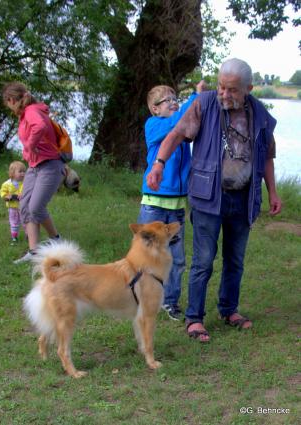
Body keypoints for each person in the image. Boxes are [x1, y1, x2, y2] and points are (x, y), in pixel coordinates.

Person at [147, 58, 282, 342]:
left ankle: (229, 309)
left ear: (248, 88)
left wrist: (273, 191)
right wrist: (159, 163)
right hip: (208, 197)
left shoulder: (259, 113)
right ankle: (194, 318)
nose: (224, 94)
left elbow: (267, 155)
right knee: (204, 260)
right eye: (221, 86)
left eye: (232, 89)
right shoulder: (204, 104)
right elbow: (176, 133)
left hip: (244, 197)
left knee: (235, 259)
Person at [139, 81, 207, 321]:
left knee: (177, 259)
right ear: (154, 109)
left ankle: (170, 301)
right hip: (153, 205)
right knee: (148, 254)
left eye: (174, 98)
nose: (173, 102)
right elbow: (177, 122)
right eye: (166, 100)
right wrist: (196, 97)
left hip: (177, 206)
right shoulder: (155, 125)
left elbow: (189, 125)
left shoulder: (180, 130)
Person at [2, 82, 64, 264]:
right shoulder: (26, 114)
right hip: (34, 167)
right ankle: (34, 251)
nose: (7, 106)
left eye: (7, 103)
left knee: (36, 207)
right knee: (25, 205)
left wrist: (30, 145)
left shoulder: (31, 112)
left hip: (50, 165)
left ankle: (56, 240)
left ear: (11, 100)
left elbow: (40, 127)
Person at [0, 160, 26, 244]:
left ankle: (28, 235)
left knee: (25, 220)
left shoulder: (25, 183)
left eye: (24, 171)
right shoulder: (7, 184)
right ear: (12, 173)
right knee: (14, 222)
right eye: (20, 171)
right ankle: (14, 236)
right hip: (12, 207)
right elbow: (2, 192)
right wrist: (6, 196)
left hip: (23, 206)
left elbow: (29, 190)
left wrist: (23, 194)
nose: (23, 174)